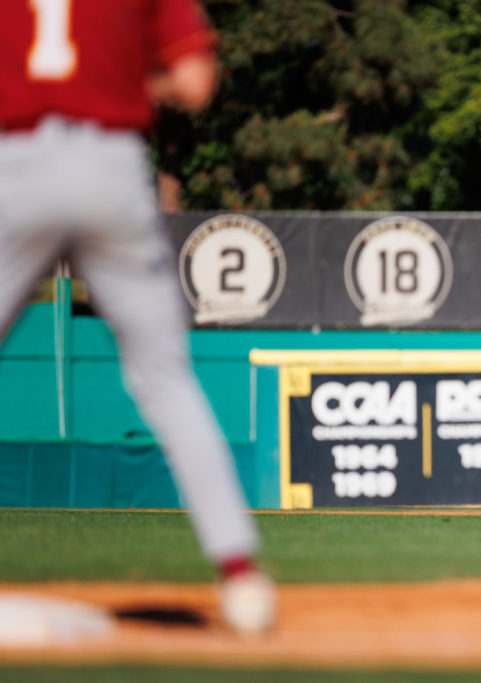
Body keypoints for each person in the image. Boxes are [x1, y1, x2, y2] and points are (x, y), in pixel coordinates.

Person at [0, 0, 274, 634]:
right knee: (164, 376)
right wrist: (118, 78)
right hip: (111, 167)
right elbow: (194, 83)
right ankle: (241, 577)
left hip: (15, 164)